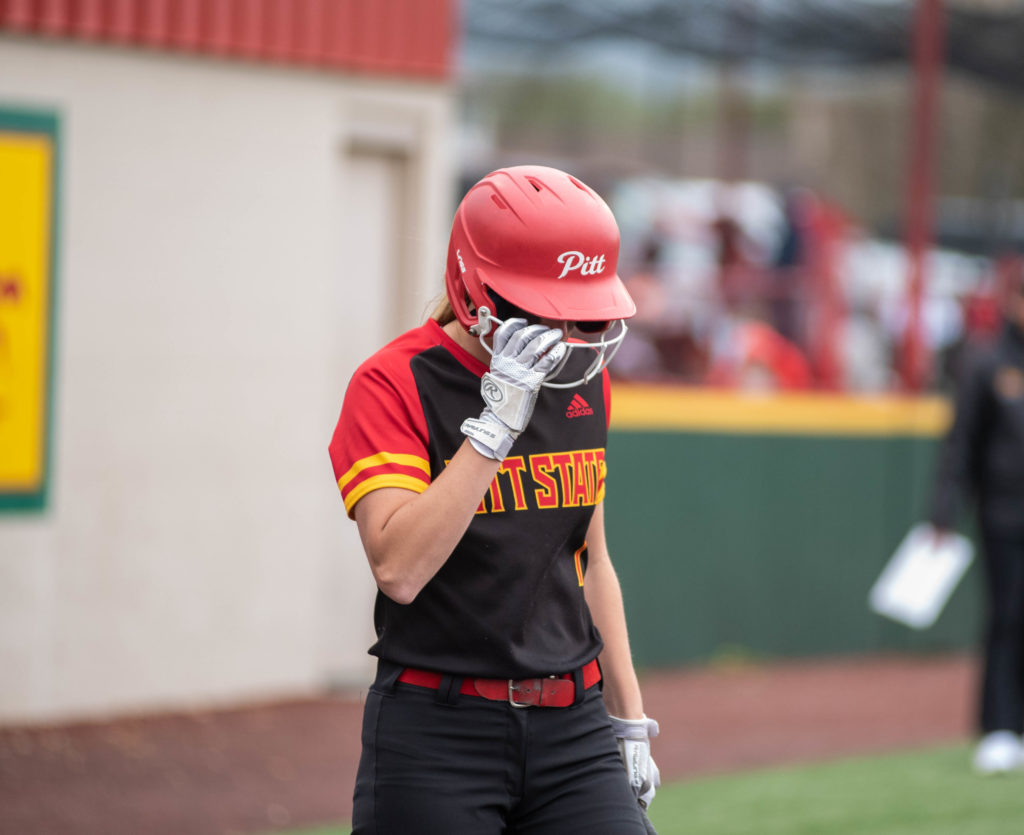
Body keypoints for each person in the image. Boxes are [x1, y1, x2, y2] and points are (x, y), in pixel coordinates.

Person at [329, 165, 661, 832]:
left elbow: (591, 559)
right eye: (551, 309)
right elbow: (399, 569)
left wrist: (628, 717)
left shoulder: (584, 380)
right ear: (475, 289)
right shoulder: (394, 382)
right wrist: (495, 426)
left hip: (574, 722)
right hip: (437, 728)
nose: (575, 335)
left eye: (588, 314)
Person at [929, 266, 1024, 774]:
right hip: (1004, 513)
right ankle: (1000, 727)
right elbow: (961, 442)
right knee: (1008, 616)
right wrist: (943, 509)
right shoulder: (988, 362)